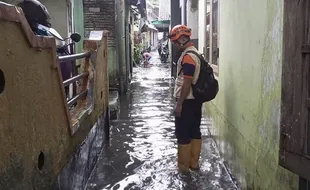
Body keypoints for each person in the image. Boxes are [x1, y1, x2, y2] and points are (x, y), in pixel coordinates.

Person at [168, 25, 202, 172]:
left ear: (182, 39)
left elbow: (186, 83)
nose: (174, 46)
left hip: (187, 101)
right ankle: (193, 164)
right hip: (196, 101)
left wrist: (179, 105)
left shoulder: (188, 57)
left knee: (182, 133)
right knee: (194, 130)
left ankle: (183, 169)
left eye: (175, 42)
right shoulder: (196, 53)